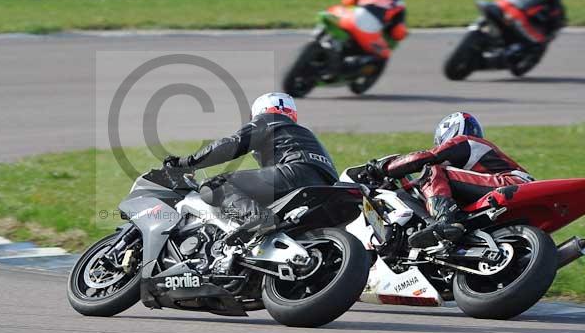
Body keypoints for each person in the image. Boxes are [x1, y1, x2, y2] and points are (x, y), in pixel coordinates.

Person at [164, 92, 338, 244]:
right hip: (327, 187)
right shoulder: (303, 133)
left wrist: (186, 162)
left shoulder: (269, 120)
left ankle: (255, 218)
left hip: (295, 173)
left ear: (260, 111)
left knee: (215, 185)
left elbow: (231, 145)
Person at [371, 112, 534, 249]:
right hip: (511, 192)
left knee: (433, 169)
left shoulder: (465, 141)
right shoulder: (473, 164)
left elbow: (428, 157)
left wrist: (384, 168)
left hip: (512, 184)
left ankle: (445, 222)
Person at [329, 0, 409, 67]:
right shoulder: (399, 4)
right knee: (384, 54)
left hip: (348, 18)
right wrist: (403, 32)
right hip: (368, 31)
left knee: (333, 12)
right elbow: (397, 32)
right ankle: (350, 67)